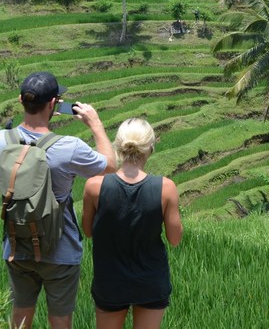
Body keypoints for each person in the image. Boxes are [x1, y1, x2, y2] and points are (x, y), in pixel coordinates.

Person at [0, 71, 117, 329]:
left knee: (19, 314)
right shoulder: (69, 147)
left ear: (21, 100)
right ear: (54, 104)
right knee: (61, 320)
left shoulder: (1, 141)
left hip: (16, 246)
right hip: (59, 251)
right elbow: (110, 167)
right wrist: (96, 124)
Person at [82, 118, 183, 329]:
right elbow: (175, 239)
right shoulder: (166, 188)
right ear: (150, 149)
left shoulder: (93, 187)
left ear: (118, 146)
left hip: (110, 282)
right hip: (150, 282)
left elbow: (89, 231)